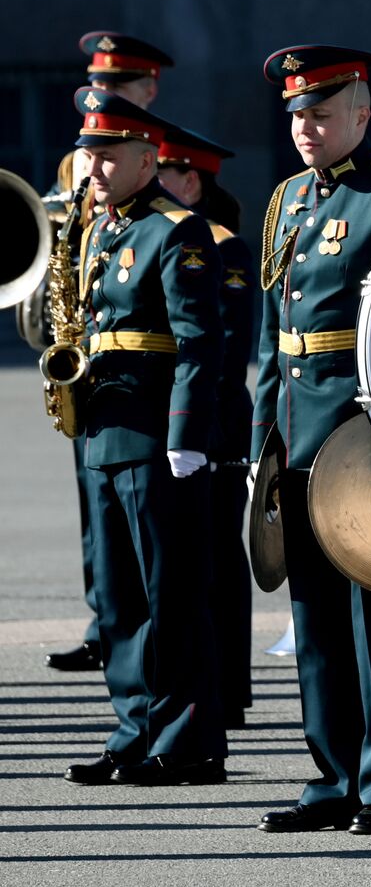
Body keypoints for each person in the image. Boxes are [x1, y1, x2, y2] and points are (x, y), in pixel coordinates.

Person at [252, 45, 371, 835]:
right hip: (295, 434)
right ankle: (331, 774)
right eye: (297, 115)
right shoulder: (288, 198)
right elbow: (273, 334)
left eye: (321, 113)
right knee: (316, 619)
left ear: (362, 117)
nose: (305, 128)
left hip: (359, 436)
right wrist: (261, 445)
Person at [62, 88, 227, 787]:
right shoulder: (103, 229)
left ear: (145, 158)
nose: (92, 171)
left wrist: (185, 434)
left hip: (157, 439)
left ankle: (186, 740)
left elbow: (199, 342)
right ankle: (135, 728)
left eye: (105, 158)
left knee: (171, 596)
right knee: (122, 599)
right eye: (87, 156)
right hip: (105, 426)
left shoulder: (176, 230)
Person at [45, 31, 175, 674]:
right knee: (97, 509)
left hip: (141, 387)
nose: (103, 97)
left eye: (118, 88)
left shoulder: (159, 157)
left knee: (150, 547)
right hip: (89, 368)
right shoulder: (82, 168)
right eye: (97, 86)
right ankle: (107, 618)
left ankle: (149, 669)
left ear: (147, 91)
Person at [156, 124, 255, 727]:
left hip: (214, 424)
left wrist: (198, 427)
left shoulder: (225, 247)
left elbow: (226, 346)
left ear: (190, 182)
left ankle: (228, 687)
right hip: (184, 422)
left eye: (162, 173)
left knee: (217, 556)